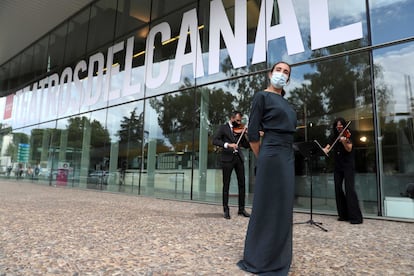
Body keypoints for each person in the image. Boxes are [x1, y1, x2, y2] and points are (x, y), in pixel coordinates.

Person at [237, 61, 297, 275]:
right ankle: (260, 258)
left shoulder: (288, 104)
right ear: (270, 74)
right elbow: (253, 133)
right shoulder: (261, 96)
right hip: (271, 154)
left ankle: (278, 256)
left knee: (283, 207)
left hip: (287, 155)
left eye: (286, 72)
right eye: (279, 70)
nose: (282, 74)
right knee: (267, 205)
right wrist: (262, 158)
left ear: (288, 79)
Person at [323, 117, 363, 224]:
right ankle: (343, 215)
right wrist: (323, 150)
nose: (339, 127)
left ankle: (355, 217)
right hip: (338, 166)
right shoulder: (333, 136)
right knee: (338, 189)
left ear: (344, 125)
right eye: (337, 125)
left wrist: (344, 142)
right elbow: (327, 147)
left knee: (349, 190)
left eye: (341, 125)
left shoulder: (348, 135)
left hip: (348, 165)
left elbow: (349, 148)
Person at [212, 111, 251, 219]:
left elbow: (246, 145)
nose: (239, 123)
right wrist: (228, 145)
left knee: (242, 184)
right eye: (237, 120)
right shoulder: (223, 128)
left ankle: (241, 209)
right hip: (227, 159)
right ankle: (226, 209)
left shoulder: (240, 130)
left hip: (238, 158)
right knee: (226, 185)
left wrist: (246, 134)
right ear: (232, 118)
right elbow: (215, 140)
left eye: (240, 121)